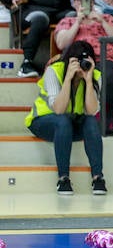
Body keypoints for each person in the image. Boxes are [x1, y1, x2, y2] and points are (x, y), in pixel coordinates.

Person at [25, 40, 106, 195]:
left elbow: (91, 111)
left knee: (90, 121)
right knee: (63, 121)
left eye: (85, 61)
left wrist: (89, 81)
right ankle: (63, 178)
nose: (81, 65)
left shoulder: (95, 75)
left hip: (71, 123)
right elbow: (59, 109)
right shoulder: (54, 71)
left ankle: (98, 178)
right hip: (43, 122)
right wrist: (68, 78)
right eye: (77, 61)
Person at [54, 0, 113, 136]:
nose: (84, 3)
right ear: (74, 3)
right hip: (78, 63)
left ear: (93, 2)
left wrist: (101, 22)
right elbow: (61, 43)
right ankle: (89, 122)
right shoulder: (68, 21)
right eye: (80, 0)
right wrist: (77, 22)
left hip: (108, 59)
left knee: (105, 75)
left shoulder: (107, 18)